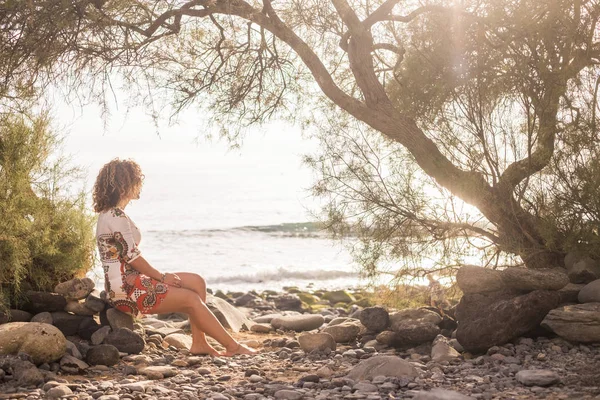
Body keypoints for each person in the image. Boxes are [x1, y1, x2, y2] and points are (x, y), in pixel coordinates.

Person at [93, 158, 256, 357]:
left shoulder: (112, 214)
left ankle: (199, 343)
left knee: (196, 282)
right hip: (126, 291)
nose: (140, 184)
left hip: (131, 281)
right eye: (136, 180)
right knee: (190, 299)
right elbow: (132, 257)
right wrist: (162, 277)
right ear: (124, 185)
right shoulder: (115, 216)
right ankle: (233, 347)